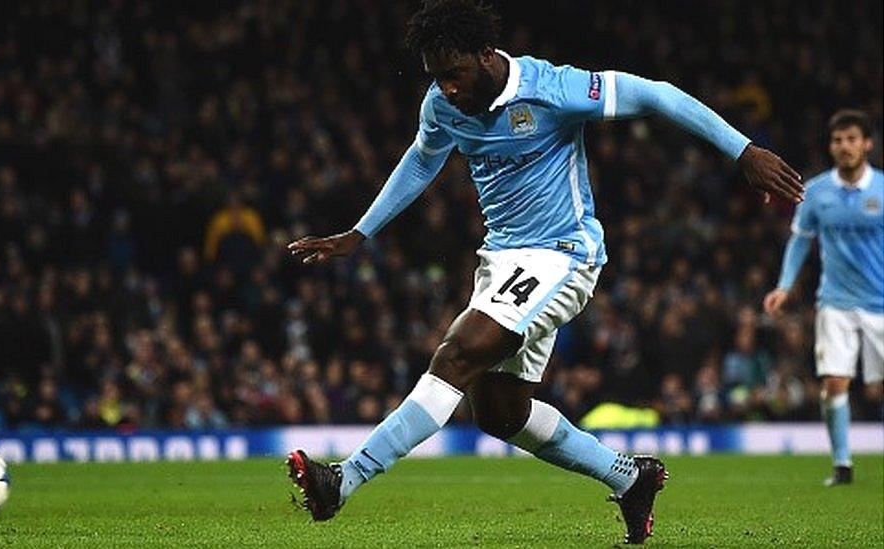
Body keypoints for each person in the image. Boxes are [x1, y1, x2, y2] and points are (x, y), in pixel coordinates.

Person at [287, 0, 803, 544]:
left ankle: (343, 479)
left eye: (455, 74)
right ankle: (630, 478)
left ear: (487, 55)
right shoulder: (441, 103)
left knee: (458, 353)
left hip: (564, 254)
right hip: (503, 259)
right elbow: (422, 159)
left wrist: (742, 150)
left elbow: (657, 94)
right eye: (436, 77)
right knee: (502, 413)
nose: (447, 89)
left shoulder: (553, 89)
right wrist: (359, 233)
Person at [763, 109, 883, 487]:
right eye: (837, 140)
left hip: (881, 302)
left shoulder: (882, 189)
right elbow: (800, 240)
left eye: (852, 139)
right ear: (831, 146)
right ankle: (842, 464)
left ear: (867, 144)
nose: (844, 147)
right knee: (834, 382)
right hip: (836, 302)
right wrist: (784, 285)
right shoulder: (815, 192)